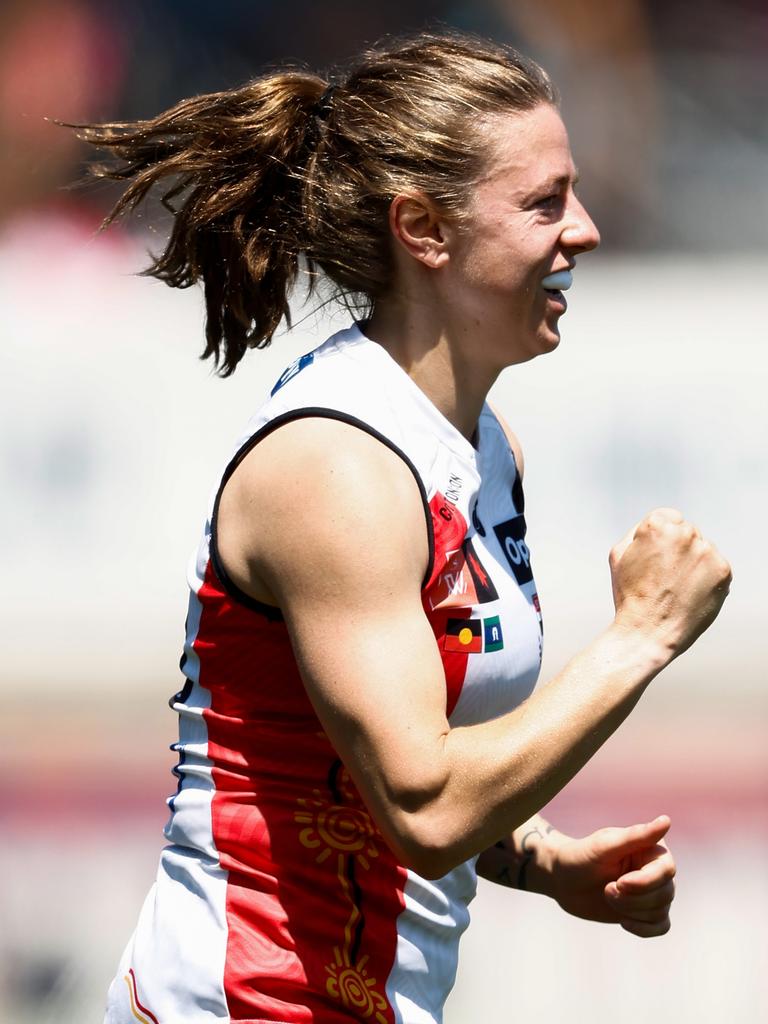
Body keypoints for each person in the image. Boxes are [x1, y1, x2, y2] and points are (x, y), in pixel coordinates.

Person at [78, 31, 731, 1024]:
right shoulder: (337, 469)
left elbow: (384, 766)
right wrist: (642, 636)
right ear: (424, 229)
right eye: (545, 201)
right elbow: (425, 805)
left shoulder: (483, 448)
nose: (586, 230)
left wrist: (547, 861)